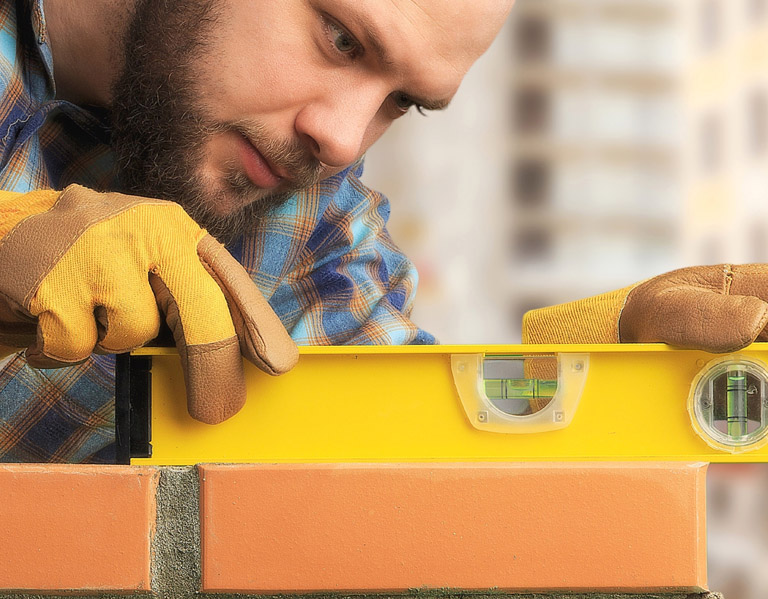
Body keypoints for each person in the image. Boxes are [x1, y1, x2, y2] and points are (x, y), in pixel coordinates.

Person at [0, 0, 514, 462]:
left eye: (402, 100)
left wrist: (579, 412)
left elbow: (422, 450)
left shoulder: (307, 216)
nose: (343, 141)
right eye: (342, 40)